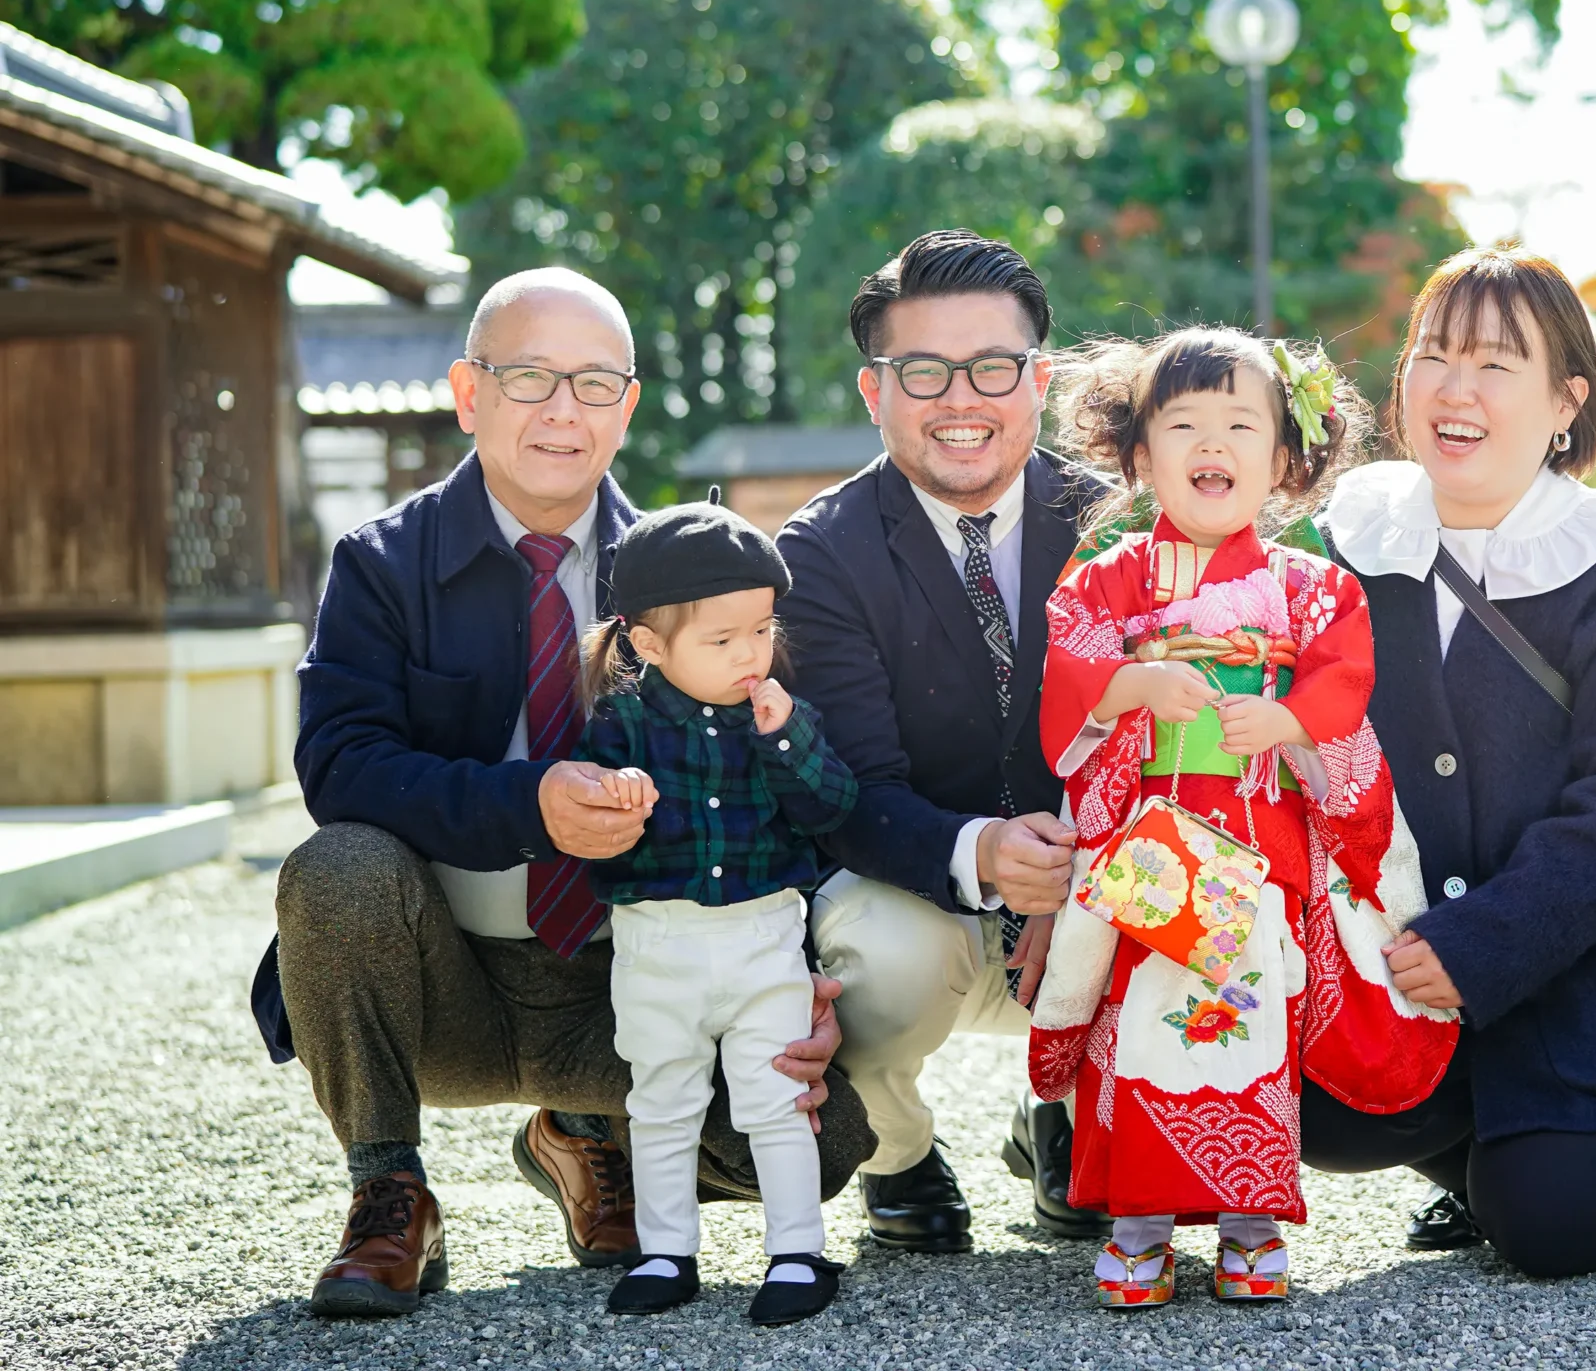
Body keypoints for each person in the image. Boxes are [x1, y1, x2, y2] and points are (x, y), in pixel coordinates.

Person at [268, 269, 866, 1320]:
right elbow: (339, 767)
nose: (562, 410)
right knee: (337, 870)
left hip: (635, 981)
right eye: (530, 376)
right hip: (444, 981)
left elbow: (784, 785)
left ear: (627, 405)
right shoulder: (382, 562)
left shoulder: (694, 575)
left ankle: (585, 1132)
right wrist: (525, 803)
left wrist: (799, 974)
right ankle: (388, 1188)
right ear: (468, 393)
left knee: (826, 1146)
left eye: (593, 383)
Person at [1306, 247, 1596, 1279]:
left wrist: (1481, 946)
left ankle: (1539, 1145)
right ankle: (1477, 1142)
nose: (1453, 388)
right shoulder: (1350, 542)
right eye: (1431, 354)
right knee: (1305, 1115)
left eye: (1495, 364)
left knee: (1553, 1236)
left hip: (1584, 980)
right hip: (1394, 965)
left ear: (1565, 403)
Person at [1030, 330, 1457, 1308]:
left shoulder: (1315, 587)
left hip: (1258, 842)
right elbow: (1070, 682)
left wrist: (1289, 717)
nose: (1208, 442)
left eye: (1238, 424)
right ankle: (1136, 1225)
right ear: (1140, 454)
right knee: (1138, 1027)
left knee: (1247, 1030)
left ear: (1284, 458)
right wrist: (1128, 683)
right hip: (1151, 839)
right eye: (1181, 424)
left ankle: (1249, 1224)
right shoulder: (1105, 579)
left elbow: (1343, 688)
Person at [775, 230, 1110, 1250]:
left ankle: (1066, 1118)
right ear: (875, 392)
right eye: (922, 371)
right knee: (878, 953)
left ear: (1039, 379)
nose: (960, 397)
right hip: (927, 893)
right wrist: (983, 855)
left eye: (993, 368)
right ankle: (899, 1151)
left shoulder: (1119, 522)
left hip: (1099, 888)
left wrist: (1085, 861)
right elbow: (848, 790)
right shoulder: (818, 555)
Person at [571, 501, 867, 1326]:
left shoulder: (780, 717)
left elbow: (831, 804)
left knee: (774, 1098)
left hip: (762, 937)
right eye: (723, 639)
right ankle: (666, 1249)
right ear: (647, 643)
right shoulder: (620, 724)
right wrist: (610, 798)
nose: (750, 654)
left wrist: (787, 741)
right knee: (662, 1095)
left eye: (762, 631)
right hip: (655, 944)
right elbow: (587, 835)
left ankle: (797, 1251)